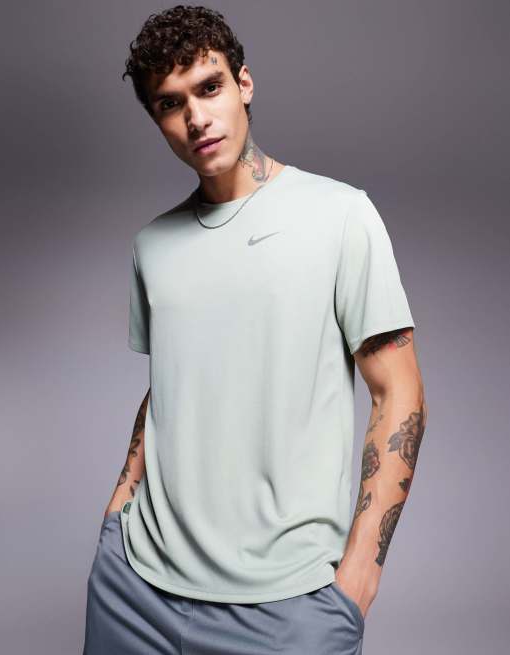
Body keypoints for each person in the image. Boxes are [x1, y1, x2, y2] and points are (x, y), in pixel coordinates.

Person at [83, 5, 427, 654]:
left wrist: (360, 573)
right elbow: (170, 384)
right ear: (157, 120)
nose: (196, 118)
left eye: (208, 87)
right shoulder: (151, 245)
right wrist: (117, 509)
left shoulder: (340, 215)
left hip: (288, 605)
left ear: (243, 84)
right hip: (135, 590)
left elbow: (398, 392)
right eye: (170, 103)